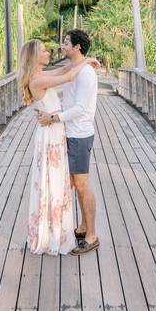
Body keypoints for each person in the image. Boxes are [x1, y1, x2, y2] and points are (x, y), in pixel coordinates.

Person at [18, 38, 99, 255]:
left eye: (64, 43)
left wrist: (82, 62)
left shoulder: (40, 76)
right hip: (52, 134)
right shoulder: (38, 80)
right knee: (54, 183)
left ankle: (73, 230)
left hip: (60, 132)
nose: (50, 52)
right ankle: (55, 231)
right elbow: (69, 75)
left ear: (76, 47)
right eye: (44, 51)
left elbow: (65, 69)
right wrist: (88, 60)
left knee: (64, 183)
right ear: (35, 57)